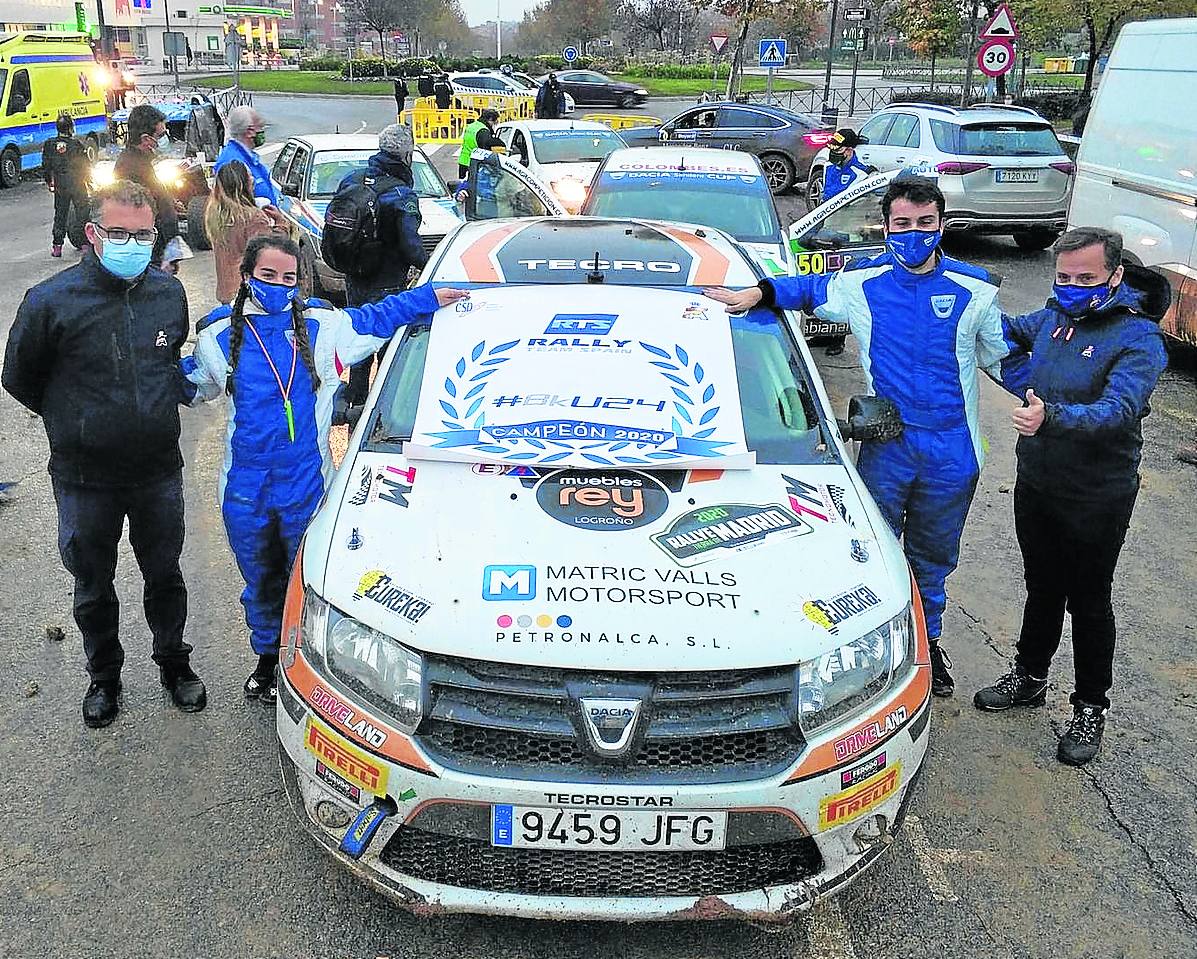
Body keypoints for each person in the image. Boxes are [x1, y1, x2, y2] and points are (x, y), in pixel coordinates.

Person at [705, 176, 1009, 699]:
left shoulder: (976, 287)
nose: (913, 234)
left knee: (935, 557)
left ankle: (929, 643)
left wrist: (1050, 399)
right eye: (902, 224)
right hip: (884, 441)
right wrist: (759, 292)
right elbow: (805, 290)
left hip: (953, 448)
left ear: (942, 224)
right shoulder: (859, 280)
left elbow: (1003, 356)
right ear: (886, 226)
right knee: (874, 551)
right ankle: (880, 652)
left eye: (925, 224)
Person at [183, 234, 467, 701]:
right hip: (243, 488)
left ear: (300, 282)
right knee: (259, 579)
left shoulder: (324, 325)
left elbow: (380, 316)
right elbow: (193, 386)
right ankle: (266, 661)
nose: (277, 285)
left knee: (306, 577)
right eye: (267, 275)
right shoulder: (217, 335)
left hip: (307, 482)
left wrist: (430, 297)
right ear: (247, 276)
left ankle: (305, 664)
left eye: (288, 278)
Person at [2, 180, 205, 729]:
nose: (134, 243)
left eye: (144, 234)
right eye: (120, 233)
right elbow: (19, 378)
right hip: (84, 478)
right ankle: (104, 678)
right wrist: (78, 421)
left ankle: (173, 664)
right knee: (93, 583)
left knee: (164, 574)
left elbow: (169, 364)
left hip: (157, 471)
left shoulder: (168, 294)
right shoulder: (50, 301)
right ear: (93, 235)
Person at [974, 227, 1169, 766]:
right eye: (1064, 277)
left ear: (1116, 274)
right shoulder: (1055, 317)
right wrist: (965, 302)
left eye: (1087, 278)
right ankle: (1030, 677)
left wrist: (1050, 417)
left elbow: (1120, 411)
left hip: (1097, 495)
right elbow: (1007, 331)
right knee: (1041, 586)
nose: (1073, 287)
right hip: (1038, 481)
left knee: (1088, 599)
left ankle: (1089, 708)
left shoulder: (1138, 338)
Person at [334, 123, 430, 408]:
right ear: (407, 155)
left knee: (360, 338)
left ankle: (355, 404)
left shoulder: (352, 179)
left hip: (354, 276)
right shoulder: (401, 194)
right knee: (388, 349)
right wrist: (431, 268)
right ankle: (382, 412)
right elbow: (411, 245)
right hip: (388, 279)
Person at [204, 160, 277, 303]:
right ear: (242, 183)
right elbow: (269, 255)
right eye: (249, 176)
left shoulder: (214, 216)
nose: (253, 180)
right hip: (248, 295)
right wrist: (281, 226)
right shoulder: (254, 218)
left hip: (226, 292)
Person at [114, 104, 178, 265]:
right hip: (149, 255)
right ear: (146, 139)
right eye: (161, 135)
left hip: (158, 251)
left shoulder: (142, 161)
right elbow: (136, 215)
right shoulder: (129, 168)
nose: (165, 139)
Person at [213, 105, 285, 230]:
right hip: (250, 233)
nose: (262, 132)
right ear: (250, 131)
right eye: (260, 128)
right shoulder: (232, 162)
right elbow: (233, 207)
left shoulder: (248, 157)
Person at [42, 113, 90, 258]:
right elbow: (85, 166)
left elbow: (46, 166)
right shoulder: (77, 145)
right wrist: (89, 181)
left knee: (60, 215)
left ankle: (57, 247)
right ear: (70, 128)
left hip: (60, 186)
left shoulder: (49, 144)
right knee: (82, 214)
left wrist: (50, 182)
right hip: (77, 184)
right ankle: (84, 245)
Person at [822, 128, 874, 202]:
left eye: (838, 150)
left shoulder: (862, 173)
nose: (833, 153)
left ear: (849, 151)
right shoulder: (828, 165)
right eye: (832, 149)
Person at [457, 108, 501, 179]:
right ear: (490, 119)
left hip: (463, 161)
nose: (494, 124)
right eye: (494, 122)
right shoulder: (483, 130)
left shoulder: (471, 126)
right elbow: (485, 150)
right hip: (474, 164)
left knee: (463, 186)